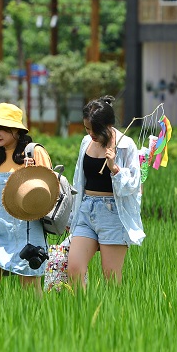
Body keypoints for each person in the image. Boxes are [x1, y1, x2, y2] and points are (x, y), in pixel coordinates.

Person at [0, 102, 52, 298]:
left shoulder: (35, 152)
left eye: (2, 128)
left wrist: (32, 173)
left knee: (30, 291)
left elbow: (49, 192)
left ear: (16, 130)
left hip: (27, 229)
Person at [67, 96, 144, 287]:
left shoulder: (126, 145)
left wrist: (114, 168)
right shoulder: (86, 142)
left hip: (112, 213)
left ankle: (112, 308)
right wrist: (72, 215)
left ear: (108, 125)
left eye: (95, 129)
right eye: (87, 128)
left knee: (111, 276)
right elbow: (79, 180)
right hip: (86, 209)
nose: (91, 133)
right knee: (74, 269)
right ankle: (82, 306)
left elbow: (134, 185)